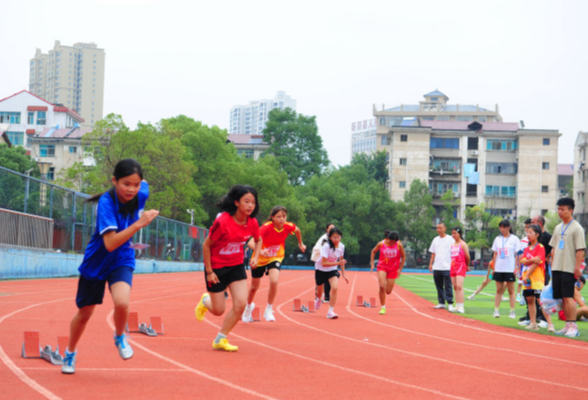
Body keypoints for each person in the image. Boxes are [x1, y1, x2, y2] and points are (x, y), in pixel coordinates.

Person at [61, 159, 159, 374]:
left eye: (136, 184)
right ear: (114, 181)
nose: (131, 189)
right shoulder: (106, 203)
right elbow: (110, 243)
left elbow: (143, 182)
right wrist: (139, 223)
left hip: (122, 258)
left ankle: (120, 337)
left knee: (122, 303)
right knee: (85, 314)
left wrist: (138, 182)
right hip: (97, 262)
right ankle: (70, 352)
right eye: (126, 184)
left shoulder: (141, 191)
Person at [195, 185, 263, 351]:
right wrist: (209, 272)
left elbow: (258, 240)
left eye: (253, 202)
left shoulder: (252, 222)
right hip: (216, 267)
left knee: (240, 304)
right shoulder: (223, 222)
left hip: (236, 265)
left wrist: (255, 257)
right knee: (218, 310)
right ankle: (205, 301)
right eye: (246, 201)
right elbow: (206, 245)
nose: (250, 206)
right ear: (236, 202)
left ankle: (221, 338)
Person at [242, 205, 306, 323]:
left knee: (274, 281)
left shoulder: (288, 226)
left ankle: (269, 309)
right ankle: (248, 307)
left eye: (284, 216)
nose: (282, 219)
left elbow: (297, 230)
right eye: (278, 217)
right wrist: (261, 251)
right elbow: (250, 242)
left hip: (276, 256)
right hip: (260, 258)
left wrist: (300, 244)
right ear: (272, 217)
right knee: (254, 287)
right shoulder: (266, 227)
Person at [549, 197, 586, 337]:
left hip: (569, 268)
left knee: (569, 296)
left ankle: (573, 326)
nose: (560, 212)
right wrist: (552, 264)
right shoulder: (558, 228)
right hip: (557, 267)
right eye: (558, 209)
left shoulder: (577, 228)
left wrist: (577, 268)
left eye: (563, 209)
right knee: (562, 297)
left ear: (571, 210)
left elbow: (580, 250)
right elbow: (553, 248)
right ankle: (567, 325)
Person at [518, 215, 552, 327]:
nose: (528, 235)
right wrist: (531, 260)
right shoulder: (527, 248)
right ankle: (532, 322)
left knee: (540, 300)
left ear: (537, 234)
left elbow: (538, 261)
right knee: (529, 300)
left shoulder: (541, 245)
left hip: (537, 277)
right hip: (527, 279)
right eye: (527, 233)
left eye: (530, 233)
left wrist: (529, 263)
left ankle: (548, 323)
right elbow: (523, 260)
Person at [315, 227, 348, 319]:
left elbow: (341, 260)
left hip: (332, 270)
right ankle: (318, 299)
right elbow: (324, 263)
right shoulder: (326, 247)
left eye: (338, 237)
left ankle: (330, 312)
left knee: (335, 288)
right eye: (334, 237)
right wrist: (338, 263)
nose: (336, 239)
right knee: (319, 292)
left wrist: (344, 274)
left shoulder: (341, 246)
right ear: (330, 238)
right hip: (321, 269)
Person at [370, 230, 406, 315]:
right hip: (382, 267)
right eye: (391, 241)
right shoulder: (381, 244)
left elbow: (403, 256)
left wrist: (400, 269)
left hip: (393, 269)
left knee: (388, 291)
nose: (392, 243)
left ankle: (382, 290)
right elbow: (373, 251)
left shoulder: (399, 245)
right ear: (387, 238)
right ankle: (383, 307)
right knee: (382, 286)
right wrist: (372, 264)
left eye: (394, 242)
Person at [490, 219, 521, 319]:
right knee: (499, 290)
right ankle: (496, 311)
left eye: (505, 227)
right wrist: (494, 267)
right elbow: (495, 254)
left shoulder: (515, 239)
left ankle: (512, 312)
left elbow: (518, 254)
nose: (502, 229)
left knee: (511, 291)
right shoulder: (497, 239)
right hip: (499, 268)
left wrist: (516, 267)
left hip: (510, 268)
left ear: (509, 227)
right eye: (501, 227)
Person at [428, 223, 455, 309]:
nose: (438, 229)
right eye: (437, 228)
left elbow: (455, 251)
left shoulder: (450, 239)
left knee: (448, 286)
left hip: (447, 267)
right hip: (437, 267)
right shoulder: (435, 239)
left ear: (445, 228)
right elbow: (433, 253)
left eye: (440, 228)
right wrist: (431, 264)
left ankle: (450, 303)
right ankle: (441, 302)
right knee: (438, 286)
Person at [311, 223, 335, 302]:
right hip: (320, 262)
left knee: (329, 279)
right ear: (326, 229)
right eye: (330, 228)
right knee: (320, 280)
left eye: (333, 228)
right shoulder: (324, 238)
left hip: (329, 262)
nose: (332, 230)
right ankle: (318, 296)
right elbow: (318, 248)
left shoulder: (334, 238)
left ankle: (327, 297)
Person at [449, 227, 470, 314]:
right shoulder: (452, 245)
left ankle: (461, 306)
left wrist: (467, 266)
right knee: (455, 287)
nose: (453, 235)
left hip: (461, 266)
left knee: (459, 286)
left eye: (455, 233)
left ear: (459, 234)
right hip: (453, 266)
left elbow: (467, 256)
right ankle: (457, 305)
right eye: (452, 233)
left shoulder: (463, 244)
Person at [516, 218, 532, 305]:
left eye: (528, 226)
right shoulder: (523, 240)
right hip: (524, 266)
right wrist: (518, 266)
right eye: (526, 227)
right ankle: (522, 297)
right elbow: (519, 253)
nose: (527, 228)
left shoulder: (536, 239)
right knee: (523, 282)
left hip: (533, 266)